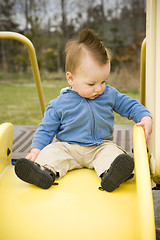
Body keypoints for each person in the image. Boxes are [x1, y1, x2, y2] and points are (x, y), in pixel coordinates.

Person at [15, 28, 152, 192]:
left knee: (112, 153)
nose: (99, 88)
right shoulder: (60, 103)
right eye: (91, 84)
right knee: (52, 152)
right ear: (71, 78)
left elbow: (129, 105)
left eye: (103, 81)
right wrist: (36, 149)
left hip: (100, 146)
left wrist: (144, 116)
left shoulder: (109, 94)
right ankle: (43, 172)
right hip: (68, 147)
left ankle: (112, 174)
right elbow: (46, 128)